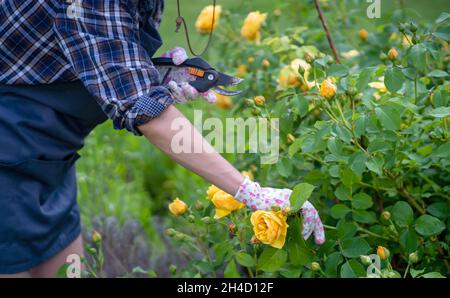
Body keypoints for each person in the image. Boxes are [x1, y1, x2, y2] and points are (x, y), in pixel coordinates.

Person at [0, 0, 324, 278]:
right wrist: (250, 192)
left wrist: (151, 74)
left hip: (49, 159)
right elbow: (150, 117)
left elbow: (83, 54)